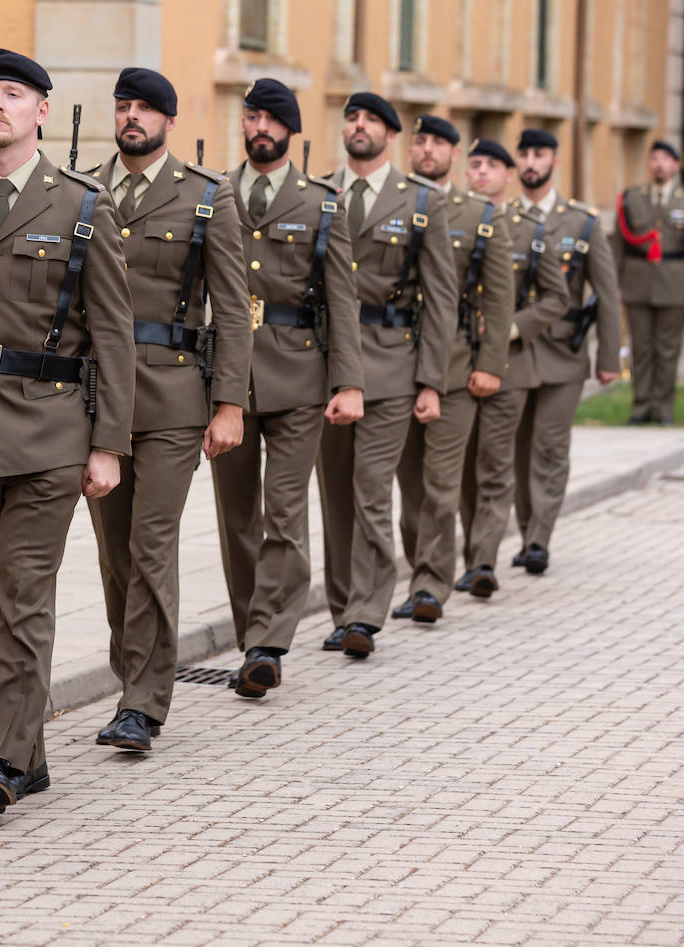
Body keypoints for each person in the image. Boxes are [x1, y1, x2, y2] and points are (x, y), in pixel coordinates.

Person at [0, 49, 135, 813]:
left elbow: (113, 334)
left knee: (22, 593)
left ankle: (0, 760)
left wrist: (109, 442)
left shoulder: (81, 204)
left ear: (41, 110)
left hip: (51, 429)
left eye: (12, 94)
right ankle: (31, 748)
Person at [85, 68, 251, 743]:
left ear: (169, 121)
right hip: (101, 399)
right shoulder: (82, 191)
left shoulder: (208, 196)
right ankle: (132, 672)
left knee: (152, 543)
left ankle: (144, 700)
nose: (132, 116)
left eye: (145, 107)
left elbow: (235, 310)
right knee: (113, 553)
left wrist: (230, 403)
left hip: (173, 393)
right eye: (124, 105)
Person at [212, 78, 363, 697]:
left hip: (299, 375)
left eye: (272, 118)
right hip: (229, 376)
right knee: (235, 516)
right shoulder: (214, 193)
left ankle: (269, 640)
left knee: (285, 512)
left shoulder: (322, 203)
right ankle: (253, 628)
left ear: (291, 131)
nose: (260, 127)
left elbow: (342, 301)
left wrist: (348, 382)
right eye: (252, 116)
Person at [319, 92, 456, 660]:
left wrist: (432, 381)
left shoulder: (420, 202)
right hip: (325, 362)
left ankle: (365, 613)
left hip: (392, 361)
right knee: (335, 495)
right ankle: (339, 607)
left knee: (372, 488)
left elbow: (442, 298)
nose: (359, 126)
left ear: (390, 136)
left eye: (372, 120)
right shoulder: (320, 193)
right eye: (352, 117)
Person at [393, 116, 514, 624]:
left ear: (455, 154)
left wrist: (491, 364)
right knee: (409, 490)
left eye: (438, 142)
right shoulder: (393, 202)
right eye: (419, 140)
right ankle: (420, 569)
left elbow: (501, 297)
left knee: (442, 485)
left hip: (456, 367)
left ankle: (429, 585)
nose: (426, 149)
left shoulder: (480, 215)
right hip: (397, 363)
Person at [505, 128, 622, 576]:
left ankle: (539, 539)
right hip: (516, 351)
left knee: (550, 446)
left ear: (554, 159)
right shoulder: (503, 217)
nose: (532, 161)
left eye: (540, 154)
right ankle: (525, 529)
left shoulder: (582, 222)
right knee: (517, 449)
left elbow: (607, 294)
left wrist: (610, 358)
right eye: (526, 154)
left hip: (564, 353)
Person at [458, 139, 568, 594]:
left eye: (492, 166)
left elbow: (557, 298)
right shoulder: (454, 217)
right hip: (459, 361)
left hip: (511, 365)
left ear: (509, 174)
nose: (482, 173)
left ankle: (483, 562)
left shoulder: (529, 229)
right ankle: (470, 552)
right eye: (475, 164)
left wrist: (510, 329)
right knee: (461, 467)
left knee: (495, 463)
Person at [612, 139, 684, 425]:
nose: (659, 164)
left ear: (676, 165)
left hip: (674, 281)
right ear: (649, 164)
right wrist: (615, 284)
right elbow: (618, 245)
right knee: (640, 348)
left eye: (665, 159)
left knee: (668, 348)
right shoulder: (631, 198)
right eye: (654, 159)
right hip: (637, 279)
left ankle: (664, 407)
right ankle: (641, 406)